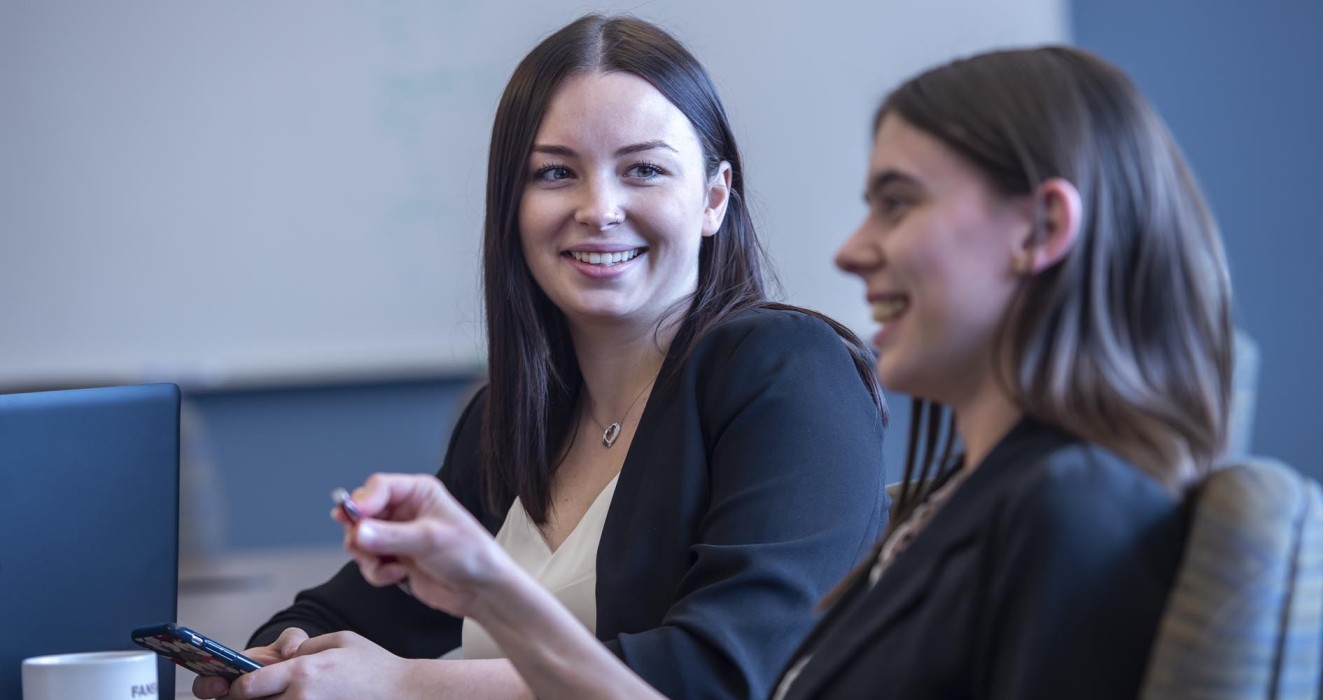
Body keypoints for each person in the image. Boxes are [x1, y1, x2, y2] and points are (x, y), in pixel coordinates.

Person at [319, 43, 1236, 699]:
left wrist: (430, 657)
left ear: (1040, 230)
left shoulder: (1071, 508)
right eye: (554, 174)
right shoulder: (981, 501)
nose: (850, 250)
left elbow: (723, 682)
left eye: (897, 203)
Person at [193, 15, 888, 700]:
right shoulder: (513, 411)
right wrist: (284, 658)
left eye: (644, 169)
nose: (600, 208)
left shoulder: (789, 372)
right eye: (556, 173)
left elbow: (723, 676)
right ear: (512, 207)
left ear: (713, 197)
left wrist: (409, 686)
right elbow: (337, 617)